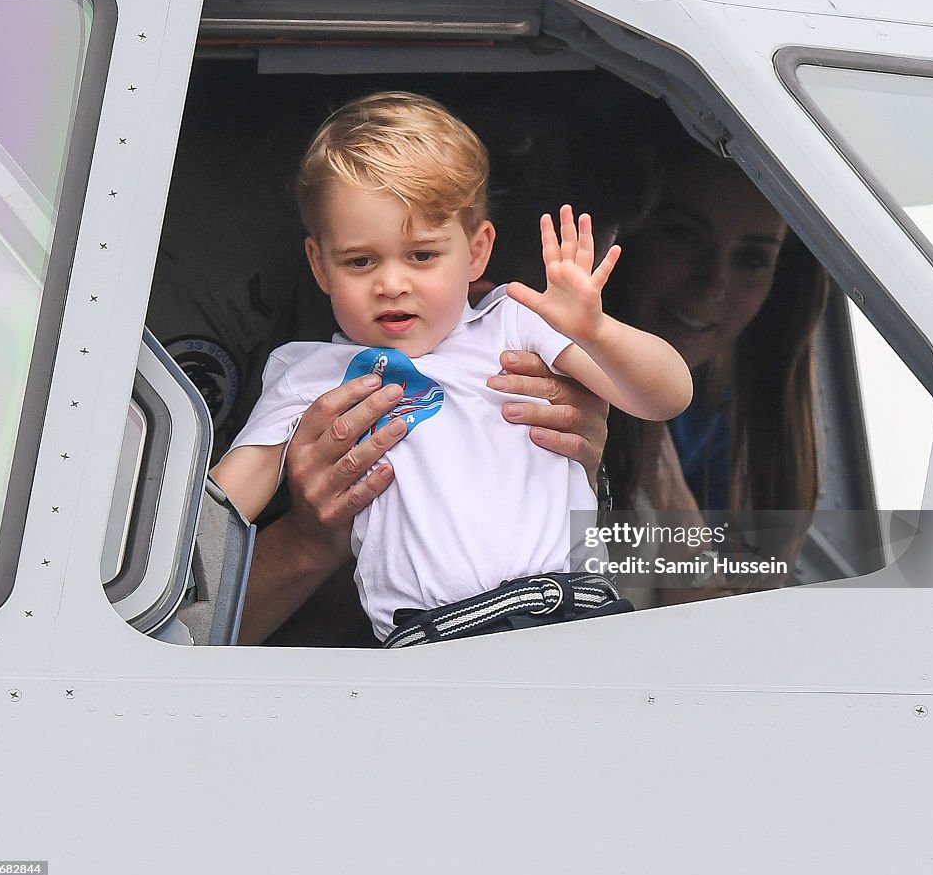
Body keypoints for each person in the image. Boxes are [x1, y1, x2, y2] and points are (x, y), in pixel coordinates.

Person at [212, 91, 692, 645]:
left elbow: (667, 397)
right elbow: (216, 512)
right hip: (432, 644)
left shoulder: (515, 322)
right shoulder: (309, 374)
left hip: (573, 617)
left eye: (422, 255)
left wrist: (596, 330)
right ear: (320, 265)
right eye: (361, 260)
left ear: (478, 250)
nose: (392, 283)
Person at [603, 133, 830, 603]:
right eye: (685, 235)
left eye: (751, 259)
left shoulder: (727, 421)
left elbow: (708, 621)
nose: (714, 283)